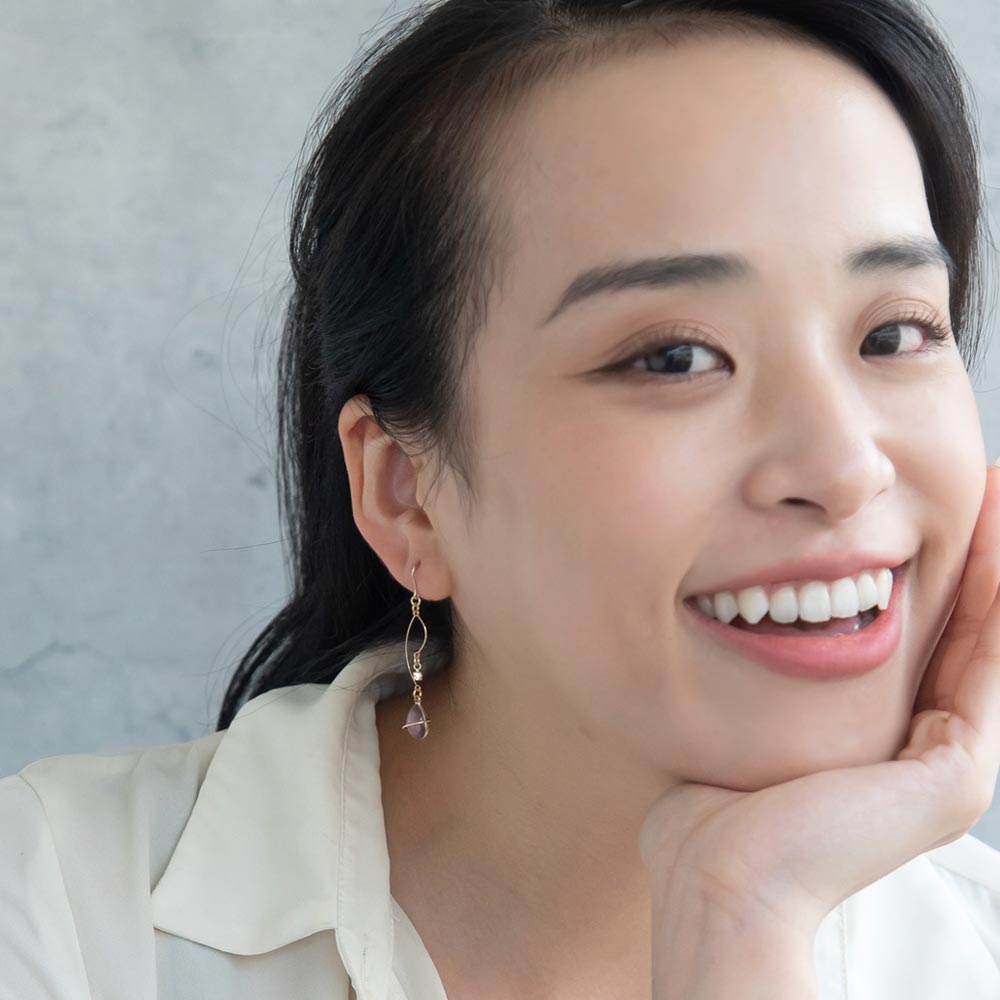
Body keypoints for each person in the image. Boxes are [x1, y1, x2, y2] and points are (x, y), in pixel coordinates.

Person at [4, 0, 1000, 997]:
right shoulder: (58, 919)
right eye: (674, 357)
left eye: (893, 334)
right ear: (408, 494)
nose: (843, 469)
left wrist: (743, 915)